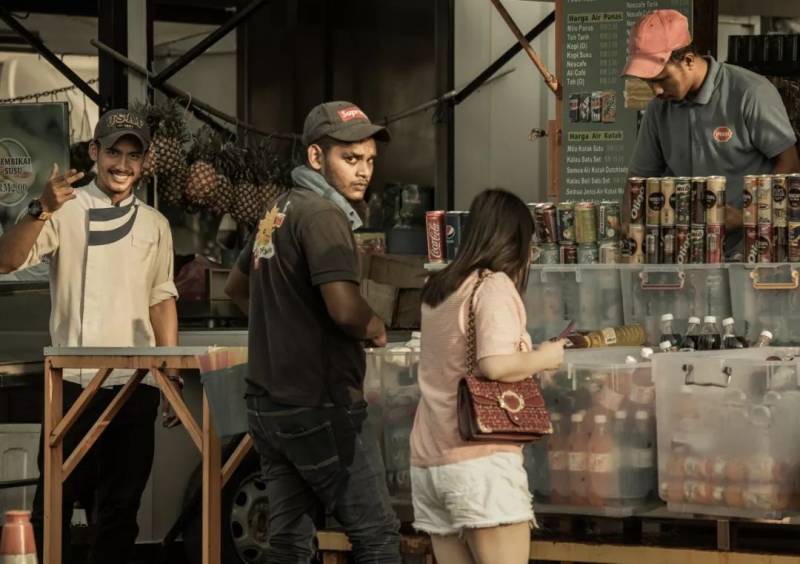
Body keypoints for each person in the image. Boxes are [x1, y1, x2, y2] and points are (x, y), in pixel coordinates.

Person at [0, 109, 179, 564]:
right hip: (73, 382)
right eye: (114, 152)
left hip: (136, 382)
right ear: (95, 152)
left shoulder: (155, 224)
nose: (123, 165)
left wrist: (170, 374)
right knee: (54, 504)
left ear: (145, 162)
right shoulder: (64, 209)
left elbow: (161, 299)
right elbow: (6, 260)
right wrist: (40, 207)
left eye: (134, 155)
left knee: (121, 509)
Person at [227, 101, 401, 563]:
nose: (363, 171)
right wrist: (374, 324)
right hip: (320, 405)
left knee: (288, 539)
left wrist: (286, 326)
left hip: (269, 405)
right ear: (316, 157)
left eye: (369, 160)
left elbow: (236, 287)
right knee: (377, 535)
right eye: (350, 158)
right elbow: (344, 309)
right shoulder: (324, 215)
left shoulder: (279, 208)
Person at [409, 189, 566, 564]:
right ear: (515, 241)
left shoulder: (439, 288)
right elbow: (493, 365)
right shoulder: (492, 285)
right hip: (479, 463)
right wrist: (544, 357)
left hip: (429, 461)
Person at [622, 9, 800, 249]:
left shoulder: (750, 93)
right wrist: (628, 226)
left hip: (753, 247)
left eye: (661, 79)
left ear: (688, 60)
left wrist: (747, 215)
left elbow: (790, 164)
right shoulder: (658, 109)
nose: (656, 91)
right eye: (648, 82)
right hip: (686, 249)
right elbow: (639, 179)